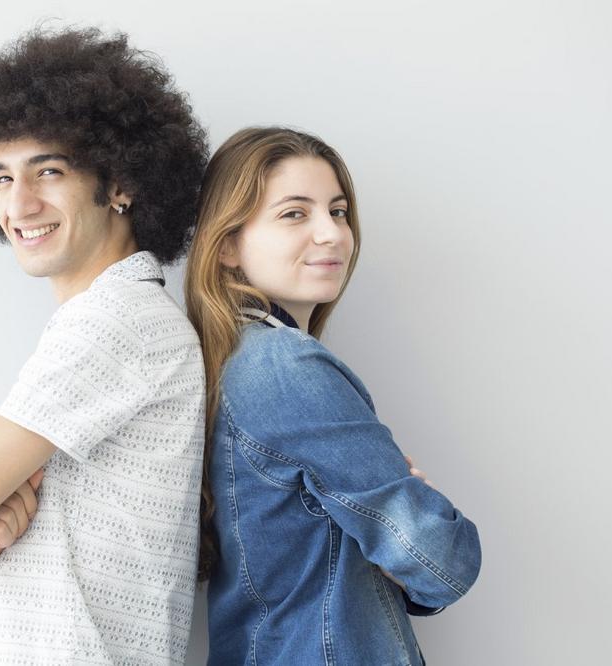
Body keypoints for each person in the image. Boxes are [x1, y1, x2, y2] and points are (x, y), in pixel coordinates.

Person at [0, 27, 209, 665]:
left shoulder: (115, 321)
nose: (19, 204)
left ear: (120, 183)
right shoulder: (112, 317)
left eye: (48, 170)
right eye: (1, 178)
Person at [184, 127, 481, 665]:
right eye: (294, 213)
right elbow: (443, 562)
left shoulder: (235, 361)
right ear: (226, 245)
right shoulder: (285, 366)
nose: (332, 234)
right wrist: (421, 526)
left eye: (338, 211)